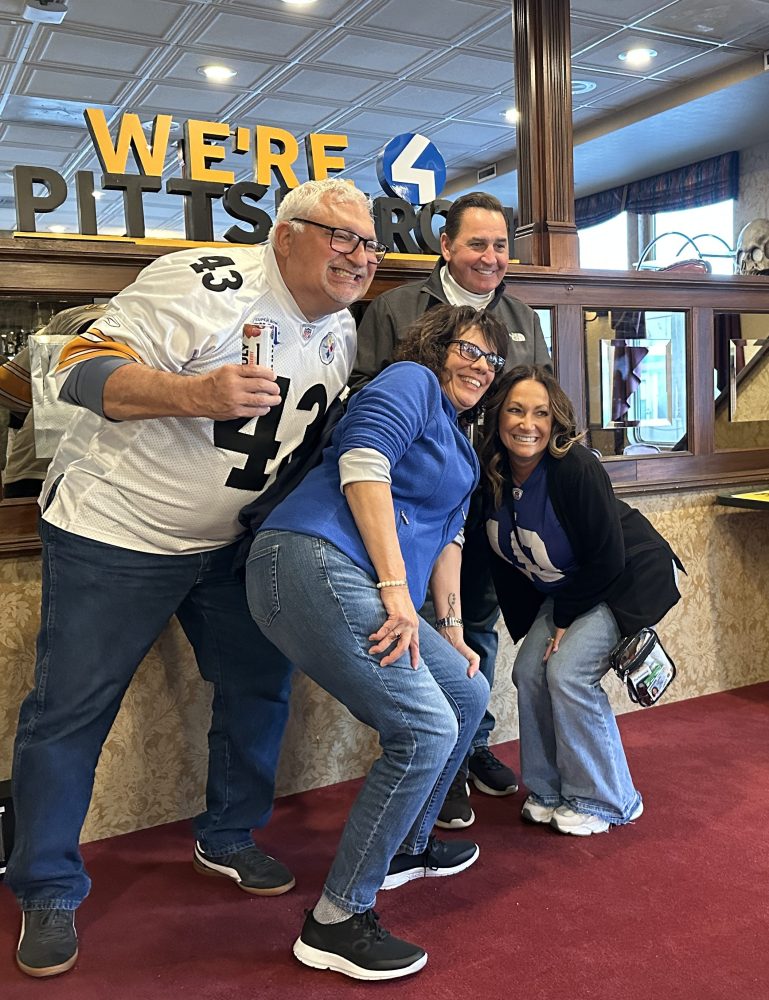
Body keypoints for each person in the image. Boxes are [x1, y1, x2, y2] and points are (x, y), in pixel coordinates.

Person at [5, 178, 385, 979]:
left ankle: (228, 834)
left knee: (258, 685)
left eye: (369, 243)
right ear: (287, 235)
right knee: (70, 709)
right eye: (341, 237)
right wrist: (193, 393)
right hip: (117, 531)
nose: (360, 256)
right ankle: (46, 885)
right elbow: (77, 367)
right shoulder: (206, 282)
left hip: (227, 545)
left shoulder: (339, 327)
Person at [244, 304, 508, 980]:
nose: (480, 366)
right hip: (312, 556)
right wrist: (395, 588)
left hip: (364, 577)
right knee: (421, 729)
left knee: (468, 690)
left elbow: (447, 537)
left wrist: (448, 628)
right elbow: (363, 463)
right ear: (434, 346)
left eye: (491, 358)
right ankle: (335, 921)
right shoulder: (409, 382)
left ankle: (407, 848)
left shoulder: (458, 437)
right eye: (468, 350)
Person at [353, 192, 551, 828]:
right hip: (411, 507)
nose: (491, 258)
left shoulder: (523, 316)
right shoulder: (395, 308)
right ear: (446, 246)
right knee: (413, 623)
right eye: (477, 244)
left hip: (490, 500)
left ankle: (470, 746)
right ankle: (429, 758)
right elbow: (362, 396)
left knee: (477, 625)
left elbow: (541, 404)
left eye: (500, 246)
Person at [479, 365, 684, 836]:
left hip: (625, 576)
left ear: (556, 422)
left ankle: (611, 799)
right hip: (570, 586)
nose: (526, 423)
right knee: (527, 670)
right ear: (497, 416)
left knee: (568, 673)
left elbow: (608, 557)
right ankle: (550, 790)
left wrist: (566, 619)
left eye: (540, 413)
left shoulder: (574, 465)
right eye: (515, 410)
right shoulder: (489, 470)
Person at [0, 304, 108, 498]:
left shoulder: (75, 315)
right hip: (112, 468)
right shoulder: (162, 325)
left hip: (41, 465)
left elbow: (10, 390)